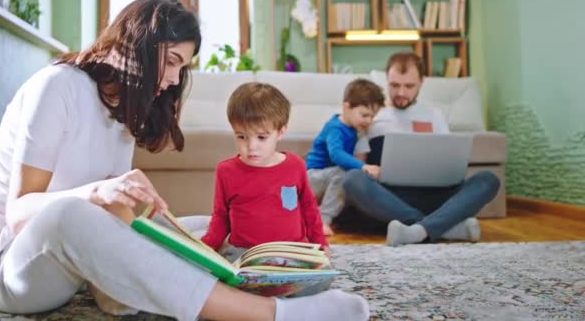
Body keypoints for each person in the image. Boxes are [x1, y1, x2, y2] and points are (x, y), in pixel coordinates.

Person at [0, 0, 370, 321]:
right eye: (171, 61)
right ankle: (271, 314)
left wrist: (153, 228)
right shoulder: (57, 86)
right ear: (139, 45)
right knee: (69, 214)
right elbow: (20, 213)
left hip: (74, 265)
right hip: (9, 265)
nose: (172, 80)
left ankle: (136, 292)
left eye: (181, 68)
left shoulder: (120, 113)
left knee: (202, 229)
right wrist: (97, 190)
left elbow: (112, 216)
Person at [342, 51, 500, 247]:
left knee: (488, 180)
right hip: (391, 199)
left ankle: (416, 229)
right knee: (351, 179)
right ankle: (442, 228)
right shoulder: (372, 116)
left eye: (409, 86)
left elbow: (450, 163)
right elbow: (359, 166)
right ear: (387, 81)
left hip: (436, 196)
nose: (401, 93)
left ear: (422, 82)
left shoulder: (434, 116)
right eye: (394, 85)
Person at [201, 82, 330, 260]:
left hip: (292, 250)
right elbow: (221, 217)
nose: (251, 147)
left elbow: (309, 208)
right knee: (223, 279)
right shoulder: (226, 171)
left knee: (317, 281)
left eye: (261, 137)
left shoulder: (295, 165)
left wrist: (320, 242)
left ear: (281, 131)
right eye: (241, 136)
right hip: (245, 253)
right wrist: (206, 247)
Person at [305, 79, 385, 236]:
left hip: (325, 177)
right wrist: (364, 167)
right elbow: (336, 155)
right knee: (343, 174)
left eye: (372, 116)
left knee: (350, 180)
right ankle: (322, 220)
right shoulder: (336, 128)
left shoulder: (353, 129)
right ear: (346, 107)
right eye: (364, 115)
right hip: (312, 177)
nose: (368, 120)